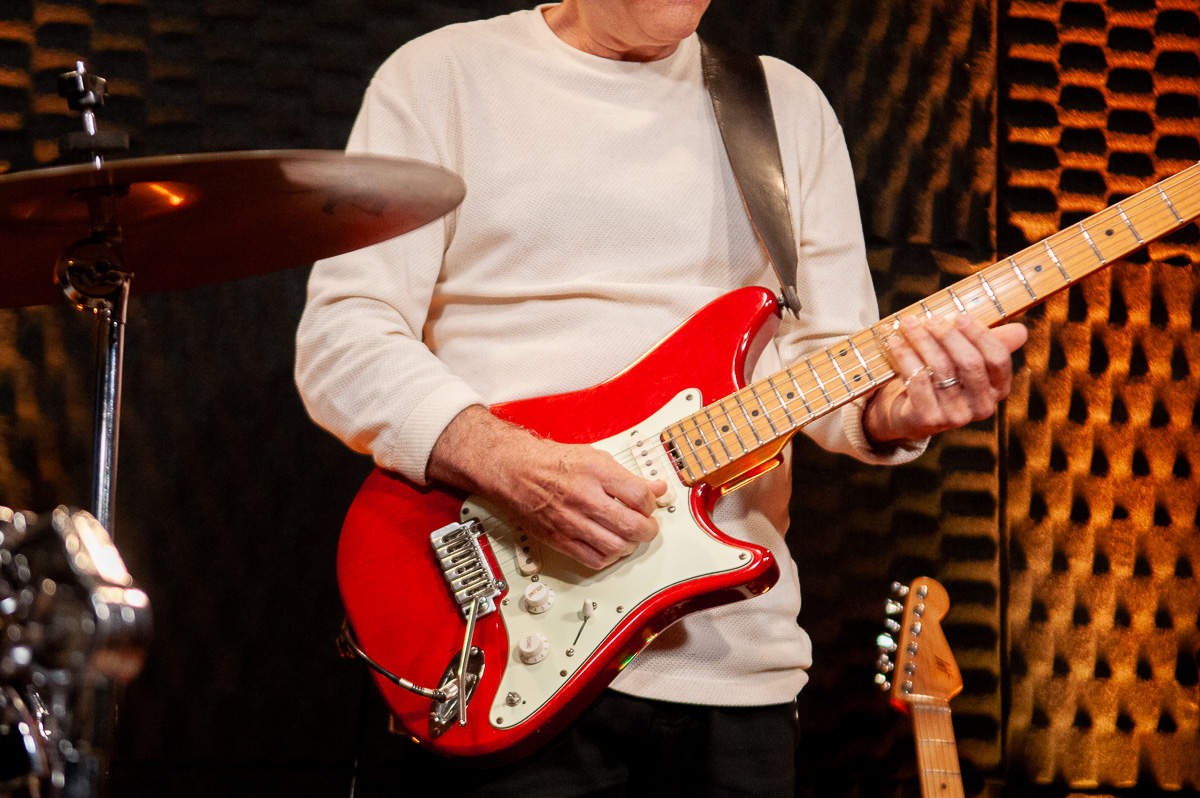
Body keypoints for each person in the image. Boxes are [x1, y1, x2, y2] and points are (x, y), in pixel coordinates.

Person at [295, 1, 1027, 794]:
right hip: (501, 630)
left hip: (736, 666)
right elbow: (344, 340)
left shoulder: (781, 104)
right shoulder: (442, 76)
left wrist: (895, 412)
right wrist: (510, 464)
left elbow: (824, 358)